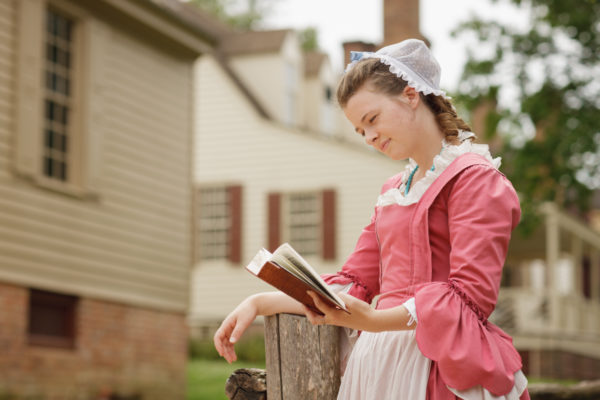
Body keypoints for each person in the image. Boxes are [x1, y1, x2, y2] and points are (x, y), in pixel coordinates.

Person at [213, 38, 530, 400]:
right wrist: (259, 302)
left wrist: (375, 321)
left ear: (411, 95)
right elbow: (353, 284)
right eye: (360, 130)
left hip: (440, 368)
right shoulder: (394, 190)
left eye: (372, 119)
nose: (369, 136)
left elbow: (469, 297)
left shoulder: (475, 178)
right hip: (378, 364)